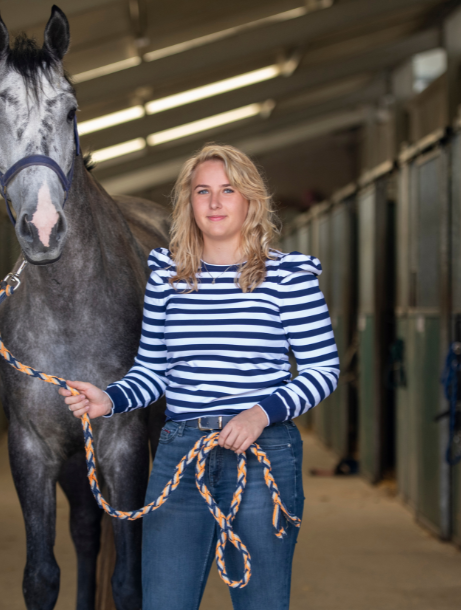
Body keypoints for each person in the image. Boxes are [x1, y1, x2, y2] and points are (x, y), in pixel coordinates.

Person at [59, 143, 339, 610]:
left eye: (228, 190)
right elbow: (153, 370)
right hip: (181, 453)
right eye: (202, 190)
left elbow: (322, 370)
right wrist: (108, 400)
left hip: (262, 452)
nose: (214, 202)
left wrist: (258, 415)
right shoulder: (168, 276)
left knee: (261, 604)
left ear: (250, 199)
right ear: (188, 202)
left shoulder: (289, 277)